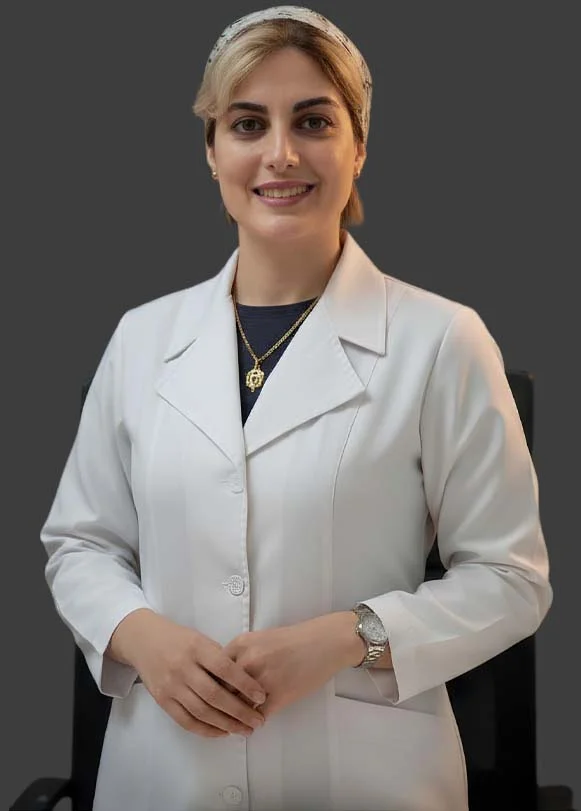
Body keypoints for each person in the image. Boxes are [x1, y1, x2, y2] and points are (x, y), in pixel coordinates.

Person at [40, 6, 553, 811]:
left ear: (358, 146)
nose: (280, 153)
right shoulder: (141, 339)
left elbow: (510, 578)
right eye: (248, 124)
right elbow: (79, 544)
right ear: (212, 151)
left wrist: (347, 637)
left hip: (366, 783)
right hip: (163, 774)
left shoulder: (441, 340)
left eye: (312, 121)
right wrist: (143, 637)